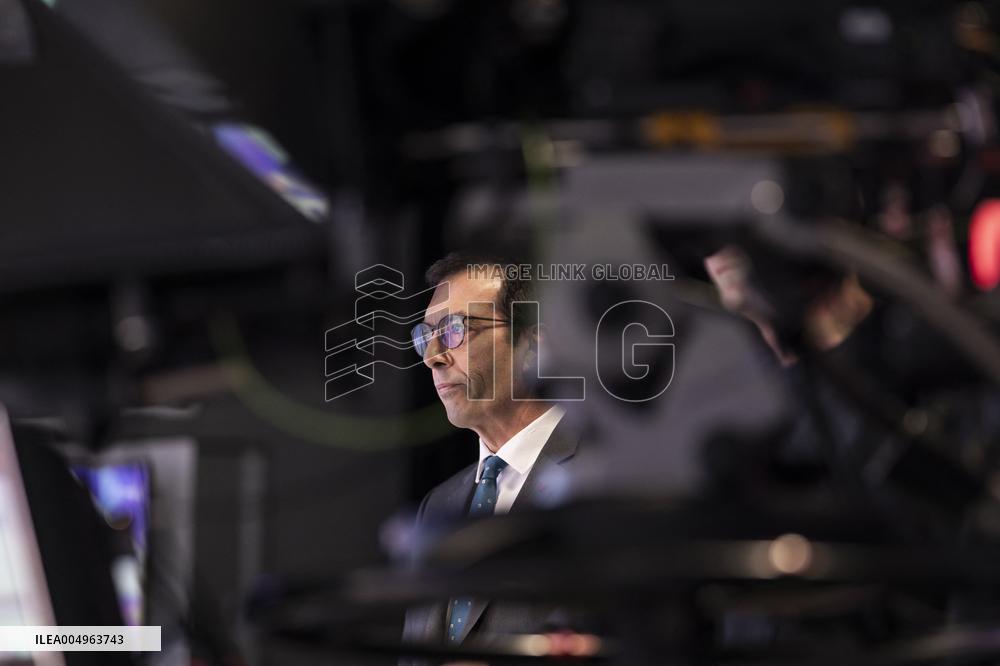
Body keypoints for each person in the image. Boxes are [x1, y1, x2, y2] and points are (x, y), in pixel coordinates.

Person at [402, 249, 582, 647]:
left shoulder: (601, 480)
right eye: (426, 337)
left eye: (454, 329)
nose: (433, 357)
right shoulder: (438, 505)